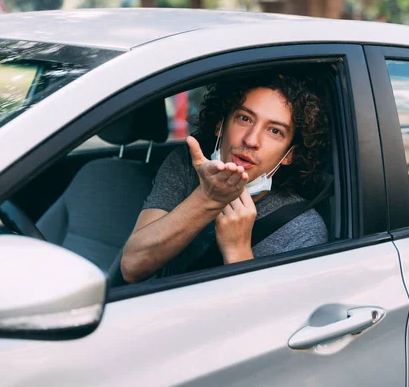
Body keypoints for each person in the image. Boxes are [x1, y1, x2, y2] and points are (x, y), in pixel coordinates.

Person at [121, 72, 331, 283]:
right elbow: (133, 267)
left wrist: (237, 251)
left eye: (275, 131)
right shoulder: (186, 166)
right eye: (244, 118)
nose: (251, 140)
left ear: (289, 155)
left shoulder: (302, 229)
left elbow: (271, 315)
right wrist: (208, 199)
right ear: (220, 125)